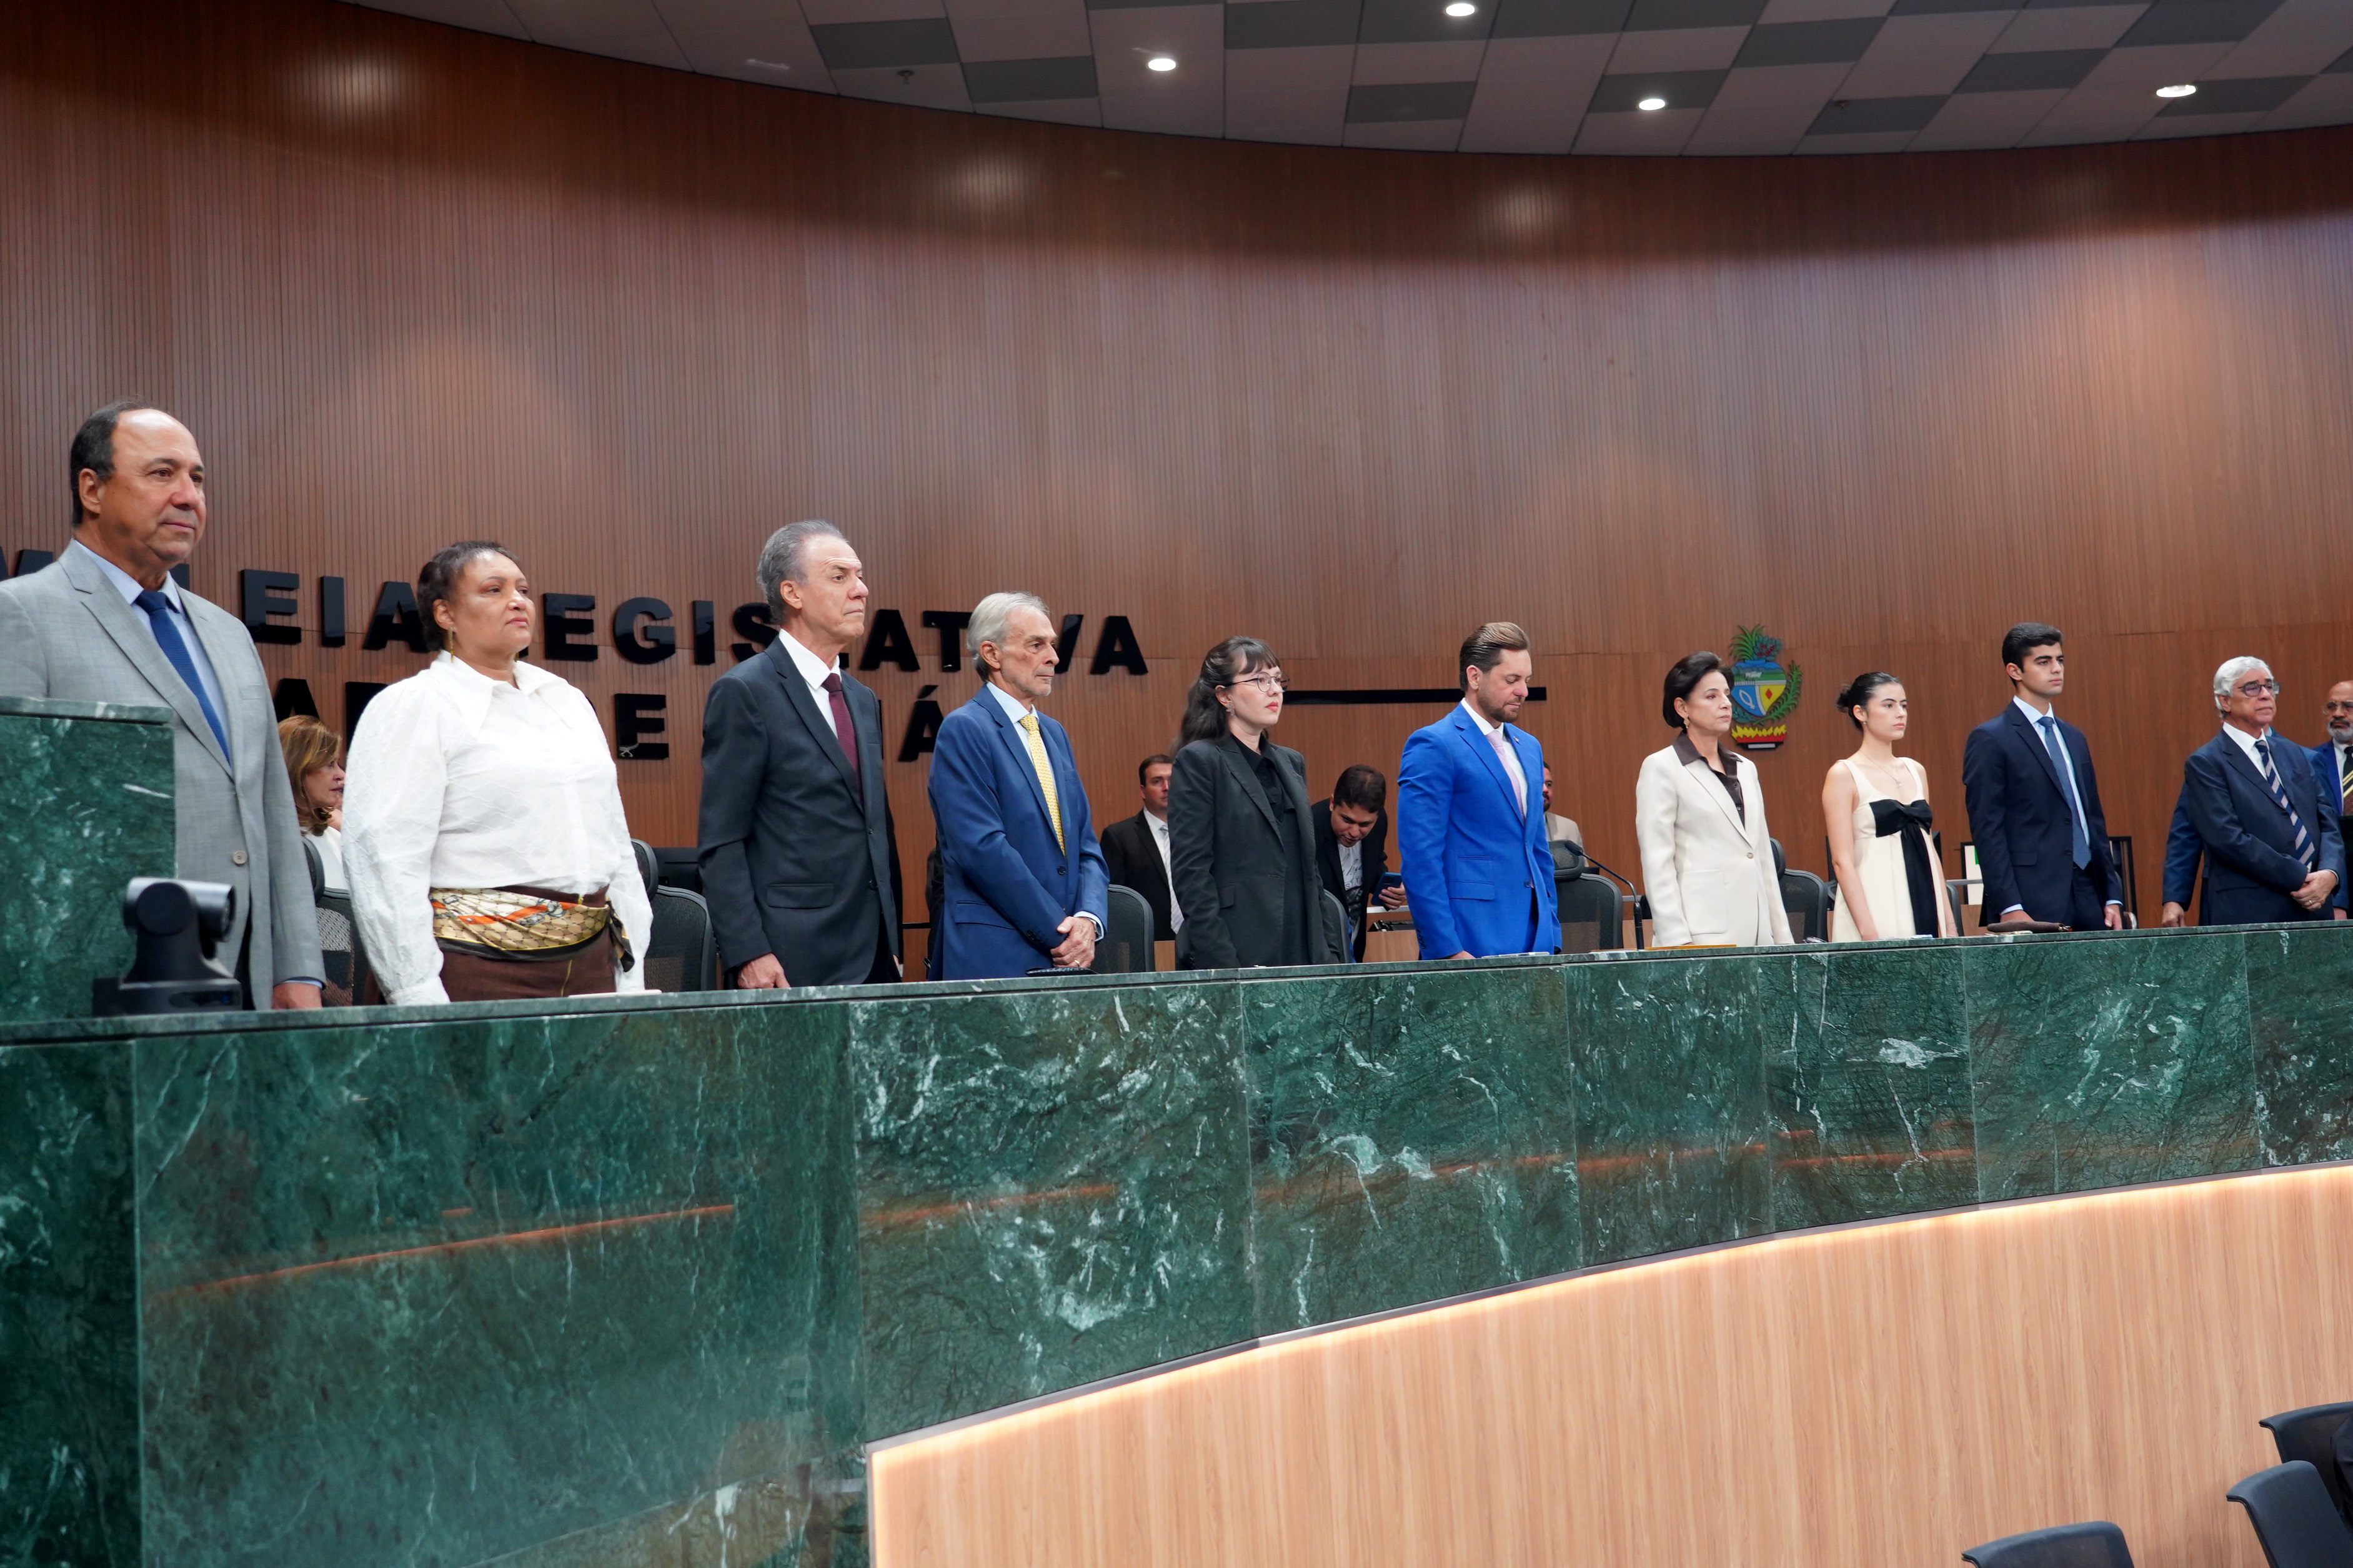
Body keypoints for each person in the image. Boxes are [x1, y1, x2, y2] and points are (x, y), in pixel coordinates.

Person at [0, 402, 322, 1008]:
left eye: (197, 478)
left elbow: (272, 811)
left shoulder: (230, 634)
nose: (188, 497)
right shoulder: (20, 615)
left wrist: (298, 967)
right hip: (103, 981)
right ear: (92, 489)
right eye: (162, 474)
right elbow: (17, 831)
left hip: (248, 977)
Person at [344, 542, 653, 1004]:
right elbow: (385, 864)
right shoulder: (414, 706)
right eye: (494, 589)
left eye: (523, 590)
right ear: (445, 614)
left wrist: (631, 970)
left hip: (593, 963)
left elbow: (615, 845)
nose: (517, 601)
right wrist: (416, 995)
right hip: (471, 966)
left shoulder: (565, 700)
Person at [697, 521, 902, 988]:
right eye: (839, 576)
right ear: (792, 593)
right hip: (789, 959)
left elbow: (876, 826)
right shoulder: (745, 691)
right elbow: (722, 840)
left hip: (874, 956)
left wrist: (893, 941)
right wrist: (748, 951)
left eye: (860, 575)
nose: (861, 590)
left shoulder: (862, 699)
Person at [928, 593, 1110, 979]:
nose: (1053, 657)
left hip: (1068, 956)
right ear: (992, 654)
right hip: (996, 956)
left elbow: (1085, 845)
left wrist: (1088, 920)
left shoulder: (1054, 733)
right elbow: (982, 849)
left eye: (1052, 645)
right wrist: (1060, 934)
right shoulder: (965, 728)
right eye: (1036, 645)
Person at [1168, 636, 1342, 969]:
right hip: (1238, 950)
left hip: (1306, 952)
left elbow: (1311, 872)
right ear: (1225, 696)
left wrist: (1330, 953)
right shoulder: (1200, 761)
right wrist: (1226, 966)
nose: (1274, 690)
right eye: (1260, 680)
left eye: (1277, 680)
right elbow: (1192, 877)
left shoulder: (1292, 762)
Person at [1396, 622, 1561, 960]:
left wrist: (1552, 932)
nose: (1523, 691)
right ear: (1475, 677)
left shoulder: (1530, 747)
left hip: (1537, 940)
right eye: (1511, 680)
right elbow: (1420, 858)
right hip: (1469, 940)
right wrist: (1446, 950)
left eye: (1526, 680)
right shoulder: (1434, 744)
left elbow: (1538, 850)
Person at [1960, 622, 2124, 931]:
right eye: (2043, 661)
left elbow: (2092, 819)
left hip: (2091, 894)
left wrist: (2113, 894)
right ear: (2015, 671)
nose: (2056, 669)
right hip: (2031, 897)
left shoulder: (2074, 737)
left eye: (2059, 660)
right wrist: (2009, 905)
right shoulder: (1991, 739)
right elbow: (1987, 830)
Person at [1634, 651, 1793, 948]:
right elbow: (1657, 863)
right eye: (1711, 696)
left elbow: (1760, 857)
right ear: (1682, 707)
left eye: (1726, 695)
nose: (1725, 703)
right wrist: (1676, 943)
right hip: (1700, 935)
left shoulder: (1746, 769)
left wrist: (1782, 940)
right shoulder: (1662, 767)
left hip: (1760, 934)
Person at [2179, 657, 2343, 926]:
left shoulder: (2294, 753)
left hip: (2316, 902)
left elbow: (2327, 823)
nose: (2266, 695)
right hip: (2253, 909)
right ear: (2225, 701)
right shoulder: (2206, 763)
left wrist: (2330, 874)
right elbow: (2228, 838)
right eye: (2252, 688)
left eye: (2269, 686)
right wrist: (2300, 877)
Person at [1821, 672, 1957, 941]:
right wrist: (1869, 933)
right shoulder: (1844, 774)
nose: (1900, 713)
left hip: (1923, 897)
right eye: (1888, 705)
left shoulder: (1915, 770)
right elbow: (1842, 861)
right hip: (1874, 906)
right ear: (1861, 713)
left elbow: (1930, 850)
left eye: (1903, 705)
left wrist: (1950, 925)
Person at [1312, 764, 1401, 961]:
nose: (1354, 832)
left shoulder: (1379, 822)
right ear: (1332, 803)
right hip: (1321, 949)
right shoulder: (1309, 826)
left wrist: (1389, 891)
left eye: (1364, 825)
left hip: (1355, 944)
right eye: (1347, 820)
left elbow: (1372, 864)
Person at [1099, 753, 1180, 942]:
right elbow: (1115, 901)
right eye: (1157, 781)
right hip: (1145, 943)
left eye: (1172, 780)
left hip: (1197, 943)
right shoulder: (1119, 836)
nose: (1167, 788)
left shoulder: (1198, 831)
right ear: (1143, 791)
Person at [277, 715, 347, 891]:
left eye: (338, 764)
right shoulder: (271, 843)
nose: (341, 775)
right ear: (297, 769)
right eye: (330, 764)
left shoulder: (337, 836)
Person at [2312, 681, 2352, 914]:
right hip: (2333, 884)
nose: (2338, 714)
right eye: (2331, 706)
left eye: (2348, 706)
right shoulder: (2308, 761)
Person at [1541, 763, 1584, 871]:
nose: (1545, 789)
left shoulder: (1569, 827)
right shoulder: (1511, 828)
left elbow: (1582, 873)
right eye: (1539, 783)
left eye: (1549, 784)